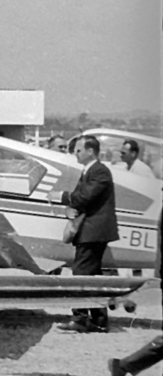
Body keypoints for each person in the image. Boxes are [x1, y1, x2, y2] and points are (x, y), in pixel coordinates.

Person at [56, 135, 118, 332]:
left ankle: (80, 318)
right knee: (94, 277)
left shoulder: (99, 171)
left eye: (79, 150)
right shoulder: (90, 171)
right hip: (92, 231)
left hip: (93, 232)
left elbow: (85, 197)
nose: (76, 153)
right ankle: (99, 320)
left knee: (81, 274)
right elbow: (83, 200)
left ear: (90, 151)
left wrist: (62, 196)